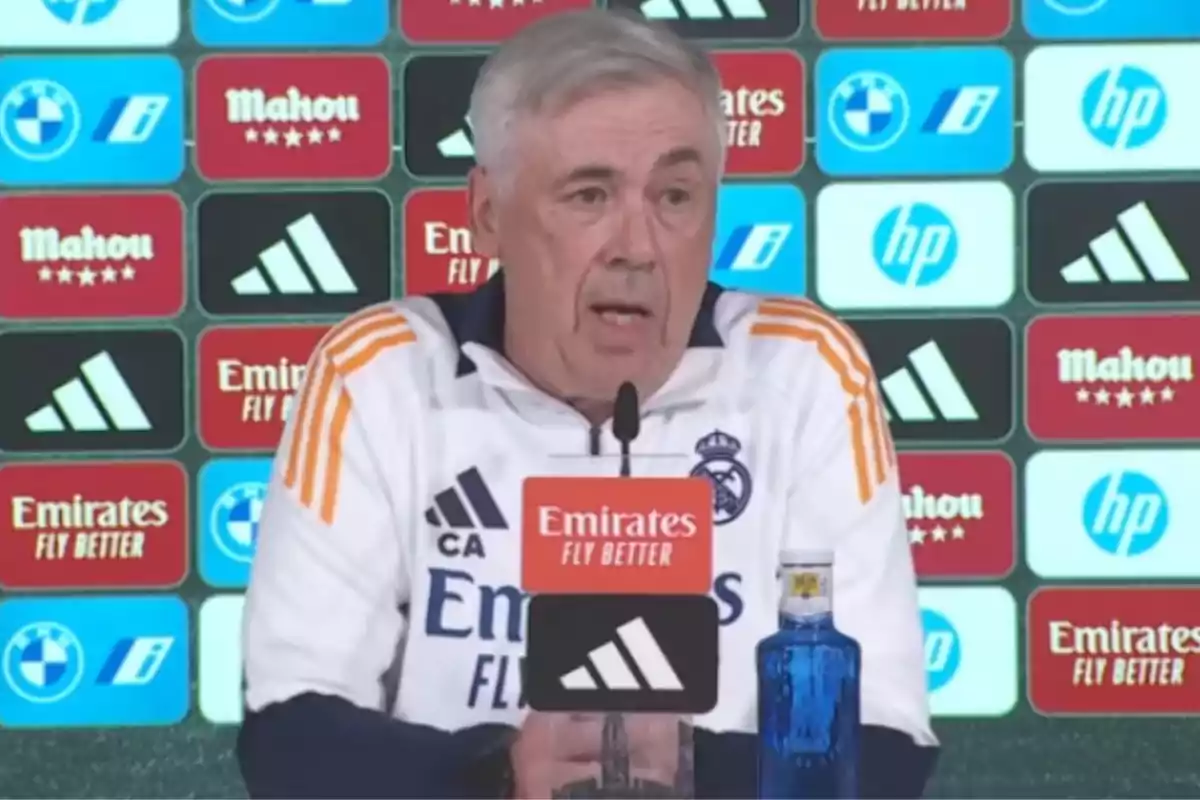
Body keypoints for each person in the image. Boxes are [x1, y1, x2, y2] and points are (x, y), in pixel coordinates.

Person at [236, 8, 939, 798]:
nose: (637, 246)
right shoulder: (380, 376)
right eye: (588, 195)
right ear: (487, 215)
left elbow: (886, 746)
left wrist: (687, 771)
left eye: (675, 195)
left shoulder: (802, 371)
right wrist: (499, 773)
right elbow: (291, 739)